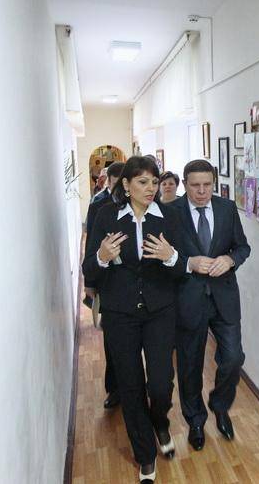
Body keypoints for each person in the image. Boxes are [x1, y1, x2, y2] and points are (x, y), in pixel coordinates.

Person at [82, 156, 186, 484]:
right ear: (126, 185)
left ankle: (160, 421)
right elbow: (89, 269)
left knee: (161, 384)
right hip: (120, 314)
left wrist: (171, 257)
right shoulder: (105, 216)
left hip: (160, 312)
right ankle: (145, 453)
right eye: (142, 182)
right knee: (130, 385)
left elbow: (183, 269)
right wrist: (102, 257)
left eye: (154, 182)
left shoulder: (169, 217)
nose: (151, 188)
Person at [171, 159, 251, 451]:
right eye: (195, 186)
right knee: (190, 364)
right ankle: (195, 419)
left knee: (233, 357)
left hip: (224, 298)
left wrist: (230, 260)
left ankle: (220, 405)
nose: (202, 191)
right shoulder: (170, 212)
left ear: (213, 183)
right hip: (188, 299)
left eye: (207, 185)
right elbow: (163, 258)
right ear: (185, 184)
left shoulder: (227, 209)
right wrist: (188, 263)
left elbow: (242, 247)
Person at [83, 162, 124, 409]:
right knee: (112, 341)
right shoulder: (98, 205)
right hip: (107, 280)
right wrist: (90, 283)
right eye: (115, 182)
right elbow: (91, 246)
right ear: (109, 181)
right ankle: (114, 388)